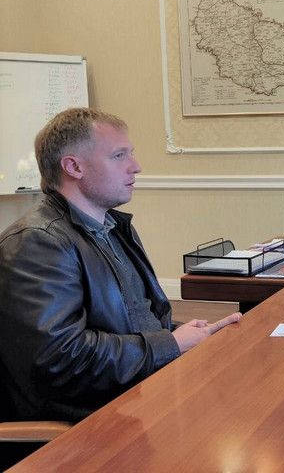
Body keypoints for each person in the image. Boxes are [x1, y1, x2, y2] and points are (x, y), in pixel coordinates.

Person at [0, 108, 241, 423]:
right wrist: (170, 343)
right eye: (119, 156)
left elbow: (136, 321)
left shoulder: (112, 227)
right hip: (96, 420)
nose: (135, 166)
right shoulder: (39, 242)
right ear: (73, 167)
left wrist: (189, 334)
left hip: (140, 390)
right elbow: (59, 360)